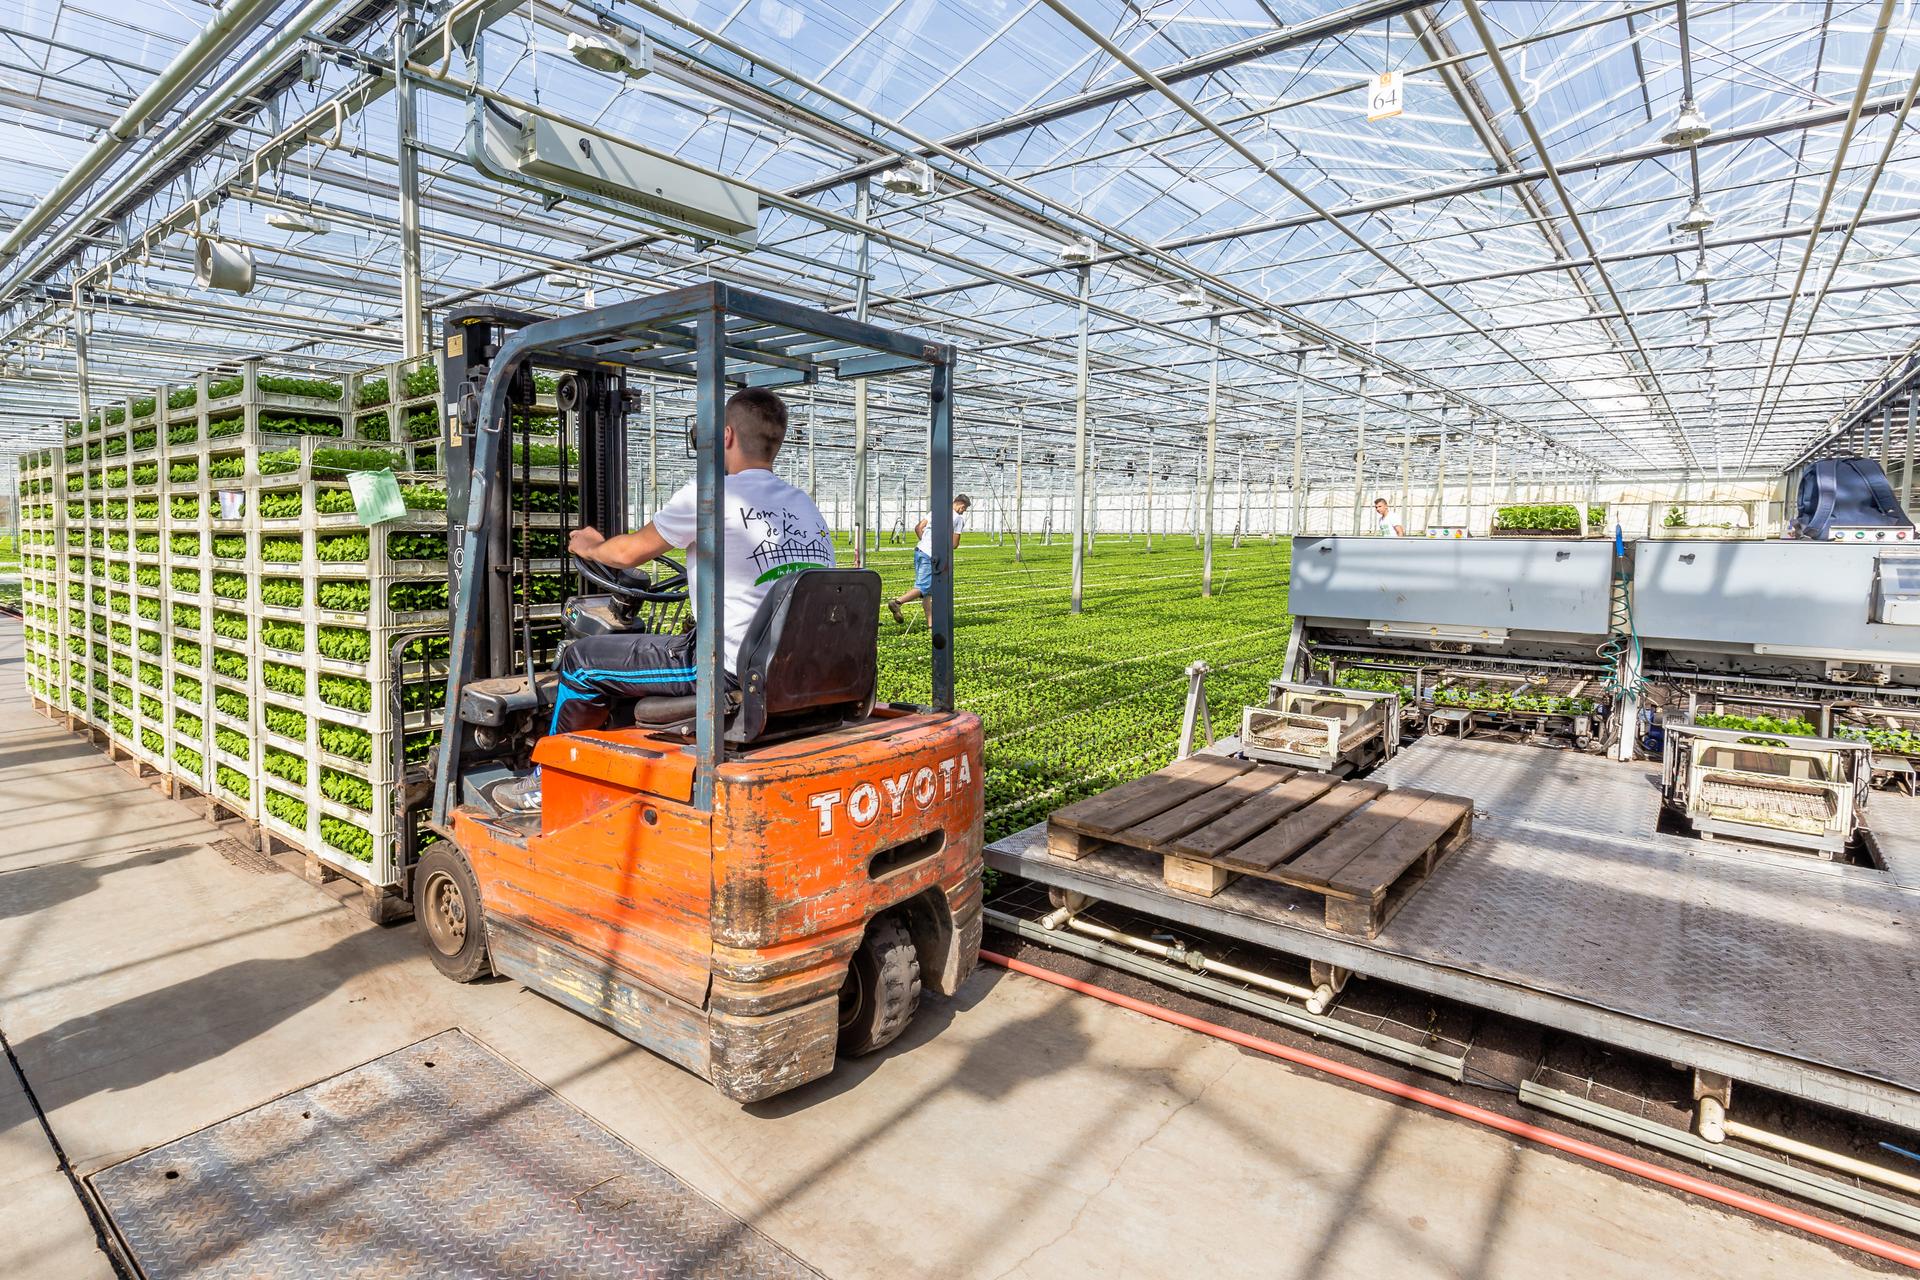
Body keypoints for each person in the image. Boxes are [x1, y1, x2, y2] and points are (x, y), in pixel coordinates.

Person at [495, 388, 832, 810]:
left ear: (725, 436)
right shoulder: (804, 505)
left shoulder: (711, 494)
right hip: (790, 668)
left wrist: (590, 545)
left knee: (581, 661)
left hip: (724, 669)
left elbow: (628, 553)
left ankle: (548, 782)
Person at [888, 494, 970, 626]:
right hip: (932, 556)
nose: (964, 511)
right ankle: (897, 602)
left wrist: (926, 542)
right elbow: (954, 544)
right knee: (924, 587)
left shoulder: (935, 512)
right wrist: (935, 548)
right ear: (960, 504)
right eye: (964, 508)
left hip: (920, 551)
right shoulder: (958, 519)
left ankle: (931, 625)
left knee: (927, 593)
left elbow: (918, 527)